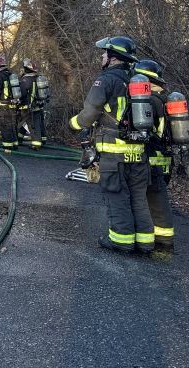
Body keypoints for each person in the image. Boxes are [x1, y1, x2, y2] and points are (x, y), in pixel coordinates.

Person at [70, 36, 154, 254]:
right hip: (138, 151)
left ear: (113, 57)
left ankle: (122, 239)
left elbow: (89, 114)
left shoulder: (105, 80)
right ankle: (145, 241)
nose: (101, 56)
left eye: (104, 53)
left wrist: (73, 124)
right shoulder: (136, 80)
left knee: (116, 195)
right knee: (138, 197)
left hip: (114, 151)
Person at [133, 59, 176, 251]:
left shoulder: (148, 100)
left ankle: (145, 239)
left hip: (150, 157)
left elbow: (144, 131)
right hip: (165, 158)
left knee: (142, 198)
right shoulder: (165, 100)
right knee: (158, 198)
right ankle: (164, 238)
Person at [0, 55, 18, 150]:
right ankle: (14, 143)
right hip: (12, 105)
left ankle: (7, 145)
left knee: (4, 125)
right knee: (11, 125)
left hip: (3, 106)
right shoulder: (10, 75)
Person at [18, 58, 49, 149]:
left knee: (32, 125)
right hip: (37, 105)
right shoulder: (36, 78)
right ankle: (20, 138)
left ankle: (36, 144)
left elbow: (22, 93)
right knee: (27, 123)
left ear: (26, 69)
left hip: (28, 106)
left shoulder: (26, 80)